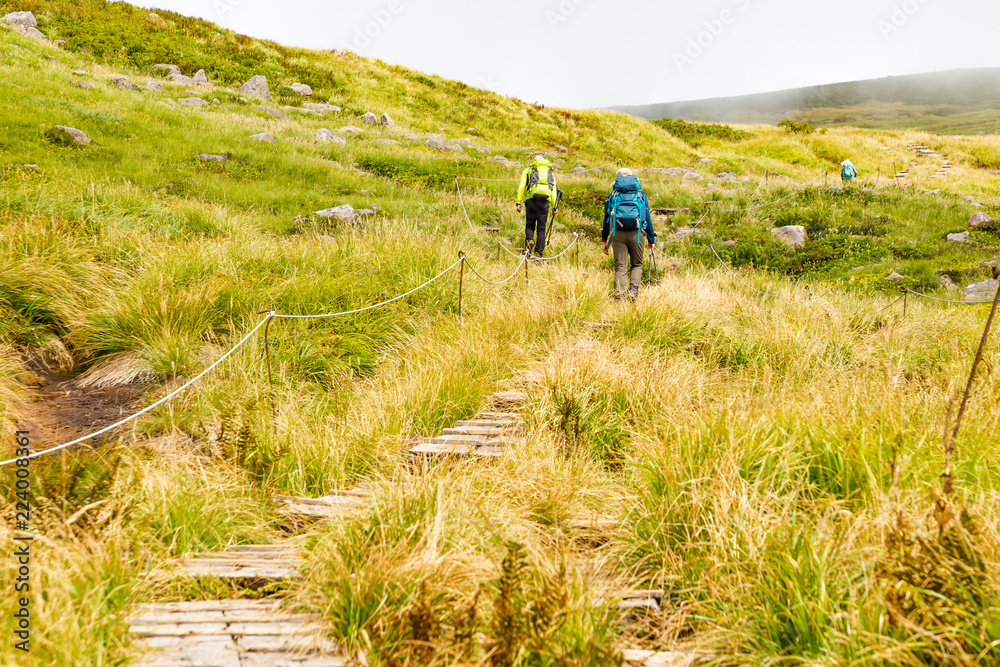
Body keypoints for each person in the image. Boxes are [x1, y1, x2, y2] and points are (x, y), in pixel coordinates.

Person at [602, 168, 655, 301]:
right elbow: (647, 216)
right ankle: (633, 291)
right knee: (636, 264)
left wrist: (604, 239)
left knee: (620, 267)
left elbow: (606, 218)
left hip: (618, 233)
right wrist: (650, 239)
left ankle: (619, 296)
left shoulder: (613, 195)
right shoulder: (640, 194)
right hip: (636, 233)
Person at [516, 155, 558, 257]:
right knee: (541, 229)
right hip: (544, 202)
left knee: (530, 224)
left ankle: (530, 241)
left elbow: (522, 186)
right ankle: (538, 253)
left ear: (534, 161)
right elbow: (553, 190)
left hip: (531, 200)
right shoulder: (550, 171)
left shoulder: (529, 169)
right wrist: (554, 206)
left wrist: (518, 202)